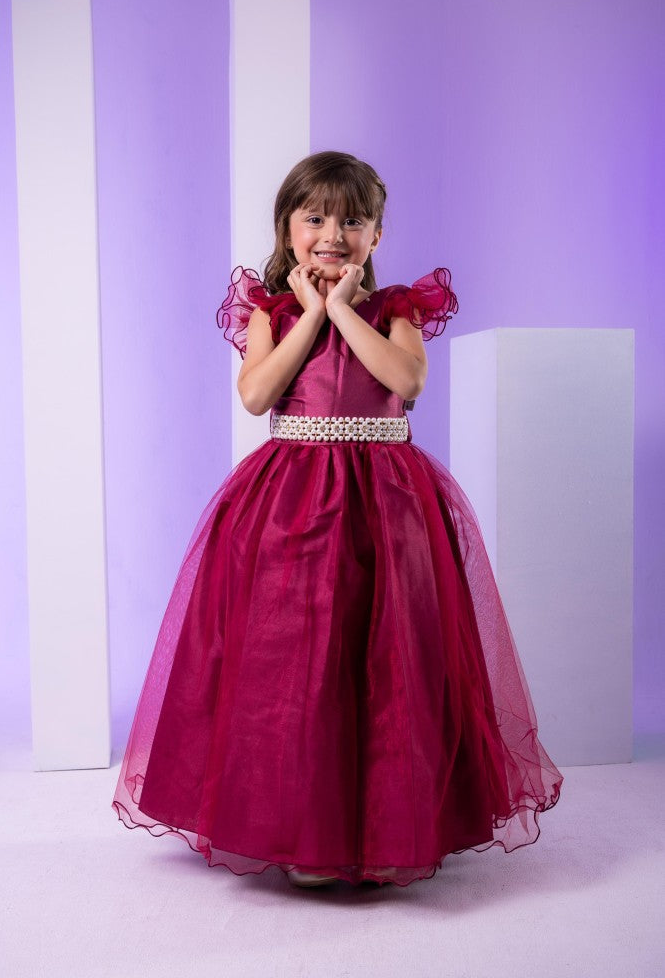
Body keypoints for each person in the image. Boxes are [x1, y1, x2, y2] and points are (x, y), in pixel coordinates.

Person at [112, 150, 563, 890]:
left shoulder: (397, 309)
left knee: (388, 656)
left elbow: (406, 379)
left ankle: (389, 823)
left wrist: (346, 308)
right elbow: (256, 395)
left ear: (376, 236)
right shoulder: (270, 312)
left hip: (388, 501)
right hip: (290, 498)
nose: (332, 234)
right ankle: (301, 829)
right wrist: (313, 313)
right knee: (296, 660)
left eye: (352, 221)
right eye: (314, 217)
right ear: (287, 229)